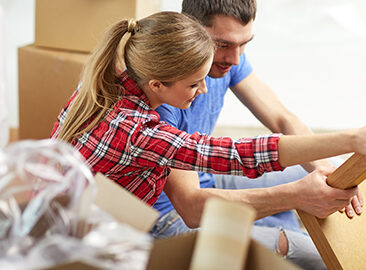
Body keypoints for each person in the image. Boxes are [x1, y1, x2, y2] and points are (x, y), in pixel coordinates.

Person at [50, 10, 364, 270]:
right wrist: (300, 191)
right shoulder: (141, 130)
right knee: (311, 255)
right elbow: (232, 157)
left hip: (126, 208)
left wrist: (346, 144)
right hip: (145, 228)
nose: (203, 90)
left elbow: (267, 130)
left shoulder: (120, 79)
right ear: (159, 85)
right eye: (193, 84)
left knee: (321, 175)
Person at [150, 1, 363, 270]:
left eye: (244, 44)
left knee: (337, 170)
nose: (235, 59)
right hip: (170, 218)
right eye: (224, 45)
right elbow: (191, 207)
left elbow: (281, 119)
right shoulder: (162, 99)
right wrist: (296, 195)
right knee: (318, 253)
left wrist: (329, 173)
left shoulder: (227, 59)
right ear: (189, 31)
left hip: (208, 178)